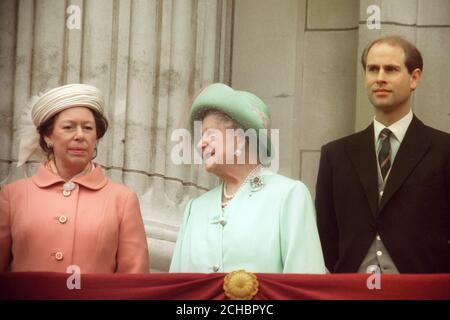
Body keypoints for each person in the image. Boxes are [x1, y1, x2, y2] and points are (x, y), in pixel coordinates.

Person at [315, 36, 450, 273]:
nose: (380, 78)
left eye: (391, 69)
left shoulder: (444, 150)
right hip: (351, 293)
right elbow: (327, 235)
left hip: (424, 291)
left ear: (414, 78)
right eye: (372, 69)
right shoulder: (334, 155)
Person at [170, 83, 326, 273]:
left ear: (240, 137)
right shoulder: (195, 210)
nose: (200, 144)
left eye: (209, 135)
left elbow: (304, 284)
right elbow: (177, 287)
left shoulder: (288, 196)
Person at [0, 83, 149, 273]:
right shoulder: (12, 196)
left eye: (88, 128)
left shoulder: (122, 200)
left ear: (96, 137)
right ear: (47, 136)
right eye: (69, 127)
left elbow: (135, 281)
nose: (80, 136)